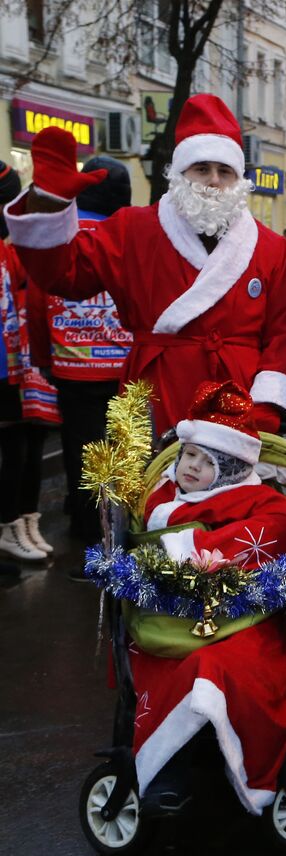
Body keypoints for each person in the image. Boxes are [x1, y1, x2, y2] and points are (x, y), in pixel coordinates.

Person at [2, 95, 286, 434]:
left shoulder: (272, 248)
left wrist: (266, 404)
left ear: (237, 181)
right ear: (180, 173)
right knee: (146, 484)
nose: (213, 180)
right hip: (155, 393)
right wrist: (49, 202)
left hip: (240, 400)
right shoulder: (133, 229)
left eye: (224, 171)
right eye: (202, 168)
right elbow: (65, 275)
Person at [125, 380, 286, 813]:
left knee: (216, 665)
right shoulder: (160, 497)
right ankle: (167, 764)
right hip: (165, 618)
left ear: (228, 469)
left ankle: (211, 760)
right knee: (177, 665)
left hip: (247, 617)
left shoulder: (258, 500)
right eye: (188, 454)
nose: (189, 467)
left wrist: (196, 549)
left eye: (205, 462)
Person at [24, 157, 134, 566]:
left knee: (82, 453)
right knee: (126, 451)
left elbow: (38, 299)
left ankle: (89, 536)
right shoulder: (128, 237)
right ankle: (123, 537)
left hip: (72, 369)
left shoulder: (60, 236)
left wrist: (43, 358)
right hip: (125, 368)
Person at [0, 159, 53, 565]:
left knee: (28, 442)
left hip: (24, 362)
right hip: (12, 362)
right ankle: (10, 523)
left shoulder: (16, 245)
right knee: (14, 445)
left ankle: (23, 519)